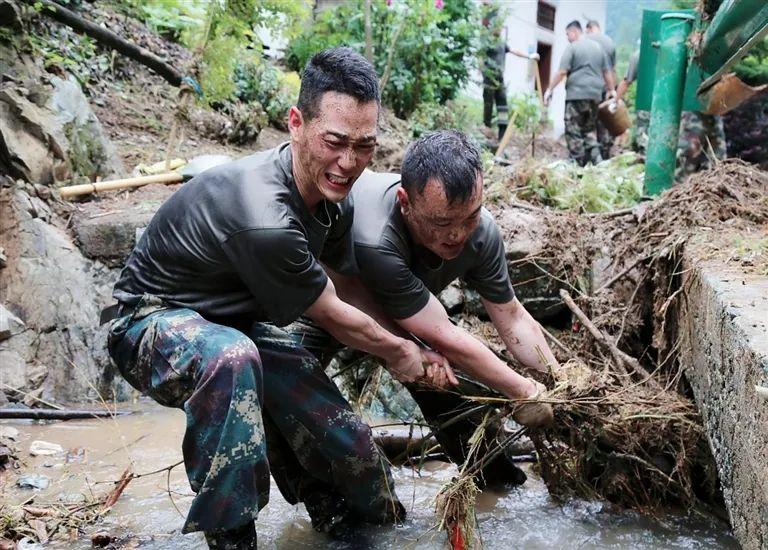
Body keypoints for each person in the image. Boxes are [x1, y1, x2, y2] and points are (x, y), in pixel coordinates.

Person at [106, 47, 453, 549]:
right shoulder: (265, 215)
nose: (348, 162)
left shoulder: (334, 203)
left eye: (365, 146)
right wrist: (401, 353)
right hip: (150, 322)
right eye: (334, 142)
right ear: (296, 123)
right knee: (232, 359)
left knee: (340, 432)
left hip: (234, 326)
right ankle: (232, 538)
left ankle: (359, 520)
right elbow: (334, 315)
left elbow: (349, 289)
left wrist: (418, 340)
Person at [269, 131, 558, 533]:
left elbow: (511, 317)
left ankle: (498, 485)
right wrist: (522, 392)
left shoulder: (482, 233)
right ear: (406, 203)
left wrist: (557, 382)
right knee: (285, 394)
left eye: (470, 217)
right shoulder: (376, 235)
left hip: (406, 318)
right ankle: (334, 509)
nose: (457, 234)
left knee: (446, 384)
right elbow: (441, 335)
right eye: (442, 223)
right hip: (325, 306)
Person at [544, 20, 616, 166]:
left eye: (567, 34)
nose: (567, 38)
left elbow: (562, 71)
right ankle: (598, 161)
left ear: (575, 32)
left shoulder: (573, 47)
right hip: (595, 96)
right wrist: (612, 90)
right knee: (589, 130)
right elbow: (607, 72)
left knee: (573, 129)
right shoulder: (598, 48)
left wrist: (549, 89)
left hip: (576, 94)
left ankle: (577, 163)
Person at [586, 20, 617, 160]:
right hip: (605, 88)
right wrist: (612, 89)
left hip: (589, 88)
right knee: (604, 121)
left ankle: (591, 156)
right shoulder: (610, 42)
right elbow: (612, 69)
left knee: (588, 122)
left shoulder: (586, 41)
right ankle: (604, 155)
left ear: (590, 29)